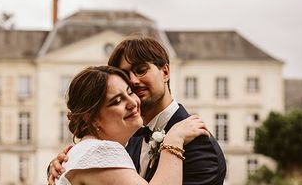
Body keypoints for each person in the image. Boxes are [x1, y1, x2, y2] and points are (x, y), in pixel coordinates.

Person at [49, 36, 226, 185]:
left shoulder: (200, 146)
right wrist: (59, 167)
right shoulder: (125, 137)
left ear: (165, 72)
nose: (133, 80)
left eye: (141, 70)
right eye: (125, 75)